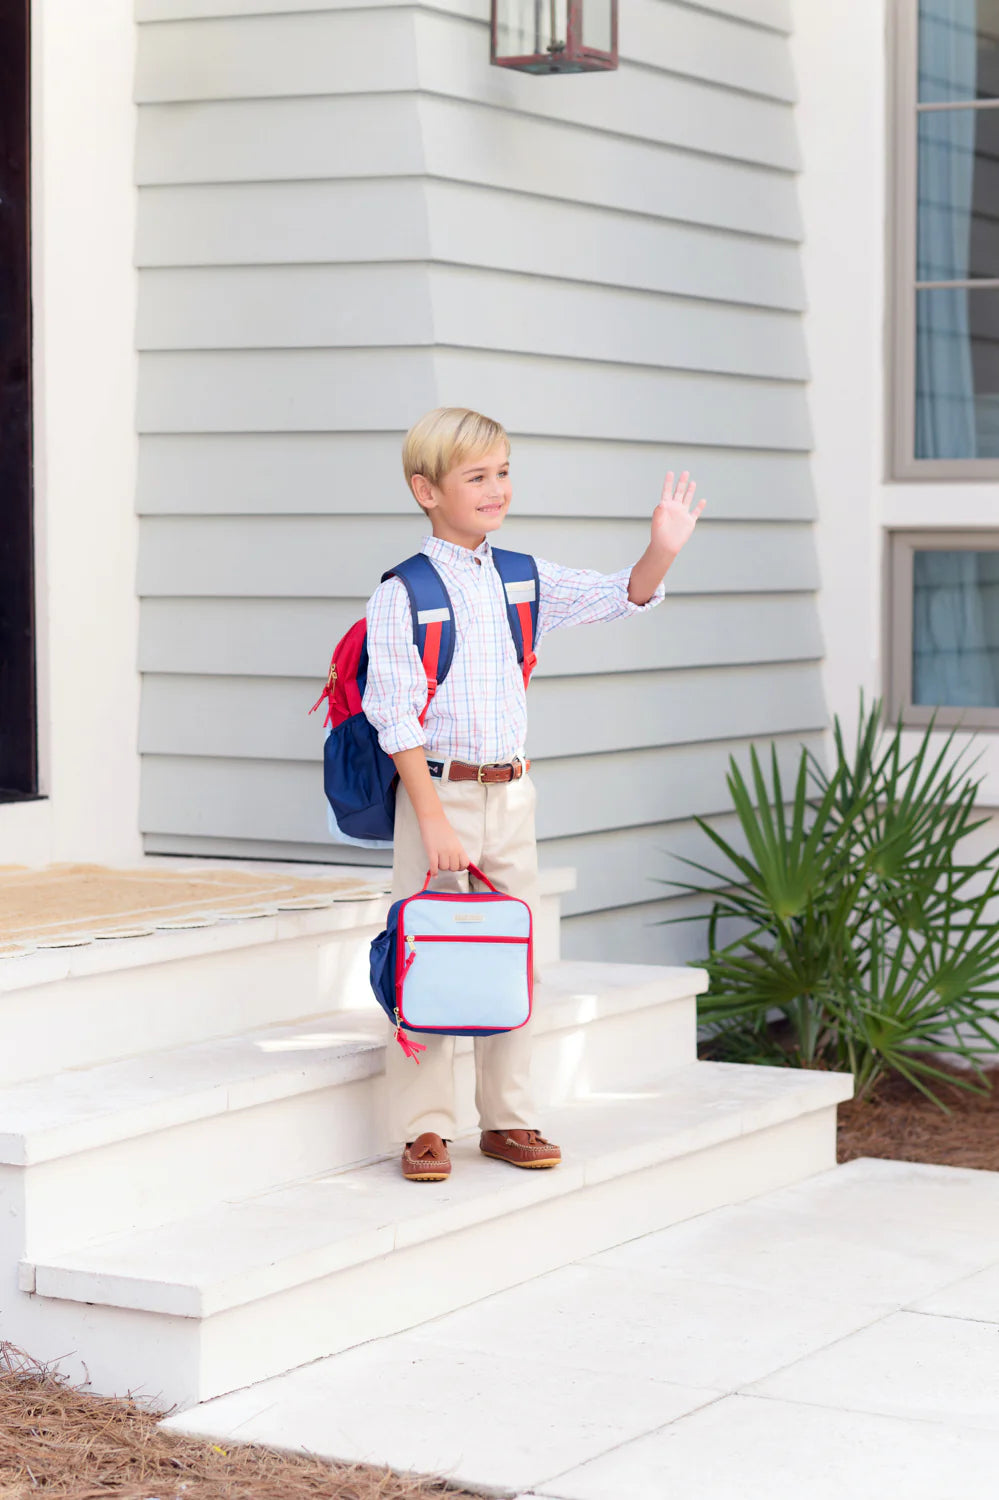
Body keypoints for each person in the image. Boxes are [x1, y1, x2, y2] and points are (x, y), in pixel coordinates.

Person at [362, 407, 706, 1182]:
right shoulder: (402, 594)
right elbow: (392, 718)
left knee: (512, 959)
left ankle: (507, 1118)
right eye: (475, 477)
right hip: (438, 796)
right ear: (426, 490)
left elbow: (622, 594)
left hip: (511, 796)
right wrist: (428, 819)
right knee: (428, 955)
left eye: (503, 472)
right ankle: (423, 1128)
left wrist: (660, 550)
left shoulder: (523, 577)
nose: (496, 489)